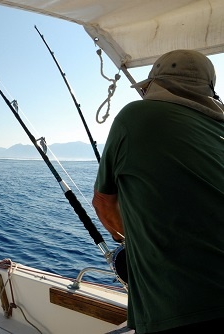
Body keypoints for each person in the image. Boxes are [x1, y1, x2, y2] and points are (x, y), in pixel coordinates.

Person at [92, 49, 224, 333]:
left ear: (153, 86)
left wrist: (126, 240)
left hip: (182, 309)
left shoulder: (135, 115)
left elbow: (103, 202)